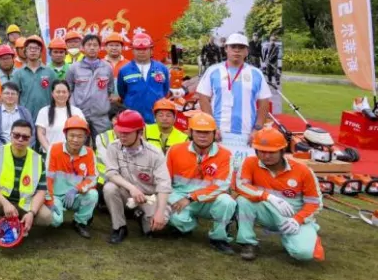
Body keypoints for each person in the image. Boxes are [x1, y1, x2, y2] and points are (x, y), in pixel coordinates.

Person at [234, 128, 324, 262]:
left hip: (294, 217)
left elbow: (314, 203)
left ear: (282, 150)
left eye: (271, 152)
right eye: (262, 151)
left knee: (304, 254)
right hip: (267, 212)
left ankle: (299, 236)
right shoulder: (250, 163)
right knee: (243, 200)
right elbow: (241, 186)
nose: (266, 156)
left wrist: (297, 220)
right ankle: (248, 243)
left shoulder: (303, 171)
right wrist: (268, 197)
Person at [165, 112, 237, 254]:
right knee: (174, 217)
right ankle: (186, 225)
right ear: (190, 132)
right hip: (180, 195)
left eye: (207, 132)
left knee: (227, 202)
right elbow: (165, 180)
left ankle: (219, 238)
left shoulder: (225, 154)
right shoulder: (175, 150)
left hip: (208, 199)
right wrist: (170, 198)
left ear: (215, 134)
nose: (202, 136)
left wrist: (191, 197)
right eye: (198, 132)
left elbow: (222, 186)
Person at [196, 32, 272, 167]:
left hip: (247, 133)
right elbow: (203, 98)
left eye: (241, 47)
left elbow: (264, 101)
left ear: (247, 51)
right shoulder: (213, 71)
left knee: (244, 171)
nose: (237, 50)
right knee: (217, 170)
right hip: (219, 132)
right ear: (226, 48)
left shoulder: (256, 73)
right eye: (233, 47)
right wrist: (212, 127)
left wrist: (258, 129)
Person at [0, 119, 53, 245]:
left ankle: (20, 225)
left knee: (46, 217)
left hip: (25, 203)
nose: (20, 139)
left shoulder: (38, 160)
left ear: (30, 139)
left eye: (25, 137)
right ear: (10, 135)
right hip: (1, 201)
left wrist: (31, 213)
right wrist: (5, 203)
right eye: (16, 135)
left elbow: (41, 191)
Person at [101, 109, 172, 244]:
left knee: (154, 227)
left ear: (140, 132)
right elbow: (111, 173)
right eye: (120, 131)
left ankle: (140, 215)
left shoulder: (155, 153)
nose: (122, 136)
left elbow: (164, 185)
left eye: (127, 133)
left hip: (149, 197)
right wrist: (132, 188)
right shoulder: (113, 147)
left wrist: (159, 213)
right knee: (109, 188)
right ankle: (119, 227)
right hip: (127, 192)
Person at [45, 117, 99, 238]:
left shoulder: (89, 153)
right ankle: (53, 212)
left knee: (93, 195)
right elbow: (47, 178)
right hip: (55, 196)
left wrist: (76, 189)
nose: (75, 140)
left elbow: (93, 179)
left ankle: (80, 222)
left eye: (80, 136)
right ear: (65, 135)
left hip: (74, 195)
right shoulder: (54, 149)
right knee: (55, 221)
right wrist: (49, 200)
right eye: (72, 135)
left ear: (85, 137)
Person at [65, 34, 115, 136]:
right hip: (80, 115)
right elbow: (69, 90)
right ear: (82, 48)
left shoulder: (107, 67)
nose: (92, 48)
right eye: (88, 45)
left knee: (103, 143)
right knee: (80, 143)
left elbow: (110, 89)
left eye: (95, 45)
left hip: (101, 116)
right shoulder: (74, 68)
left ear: (100, 48)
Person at [116, 32, 171, 124]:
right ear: (132, 51)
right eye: (138, 49)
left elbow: (165, 91)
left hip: (156, 117)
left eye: (145, 49)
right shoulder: (124, 70)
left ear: (151, 50)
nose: (141, 52)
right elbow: (122, 93)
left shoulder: (162, 69)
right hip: (132, 118)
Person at [35, 80, 85, 154]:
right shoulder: (44, 111)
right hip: (50, 153)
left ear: (69, 93)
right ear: (52, 94)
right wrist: (50, 151)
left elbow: (82, 133)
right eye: (58, 92)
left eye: (64, 92)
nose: (61, 94)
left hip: (72, 154)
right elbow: (41, 133)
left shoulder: (77, 112)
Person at [0, 82, 34, 151]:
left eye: (13, 94)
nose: (10, 96)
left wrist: (25, 147)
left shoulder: (25, 112)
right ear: (1, 95)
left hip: (22, 148)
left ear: (18, 96)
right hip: (1, 149)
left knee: (34, 156)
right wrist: (4, 149)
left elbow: (32, 133)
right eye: (7, 93)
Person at [15, 36, 53, 122]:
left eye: (36, 48)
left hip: (46, 117)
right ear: (25, 51)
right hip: (24, 118)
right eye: (30, 48)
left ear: (40, 51)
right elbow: (15, 97)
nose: (33, 50)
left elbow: (55, 94)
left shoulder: (50, 72)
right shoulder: (18, 73)